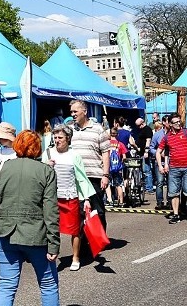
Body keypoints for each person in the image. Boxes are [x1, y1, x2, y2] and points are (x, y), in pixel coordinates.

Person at [0, 130, 67, 306]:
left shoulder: (2, 168)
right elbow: (51, 212)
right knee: (48, 284)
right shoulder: (46, 171)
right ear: (37, 149)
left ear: (17, 146)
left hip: (7, 235)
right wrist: (54, 244)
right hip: (36, 236)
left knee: (6, 286)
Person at [45, 123, 95, 271]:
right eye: (55, 137)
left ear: (68, 138)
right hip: (52, 198)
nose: (57, 140)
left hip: (70, 197)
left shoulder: (74, 156)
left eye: (60, 137)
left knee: (75, 230)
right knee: (51, 229)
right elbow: (40, 175)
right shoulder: (47, 153)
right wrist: (47, 165)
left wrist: (86, 199)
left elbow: (81, 178)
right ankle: (52, 256)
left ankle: (75, 257)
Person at [68, 99, 110, 231]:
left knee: (98, 210)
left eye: (75, 111)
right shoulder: (69, 129)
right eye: (71, 112)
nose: (73, 114)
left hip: (94, 175)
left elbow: (105, 152)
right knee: (80, 211)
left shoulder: (97, 129)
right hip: (75, 177)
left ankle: (100, 237)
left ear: (84, 111)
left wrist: (105, 175)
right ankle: (84, 239)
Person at [156, 113, 187, 224]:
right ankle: (176, 214)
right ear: (170, 124)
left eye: (179, 121)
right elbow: (159, 152)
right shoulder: (167, 137)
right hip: (174, 168)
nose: (178, 124)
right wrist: (161, 165)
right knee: (173, 193)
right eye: (175, 122)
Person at [149, 120, 168, 208]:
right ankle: (159, 202)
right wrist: (158, 153)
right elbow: (151, 148)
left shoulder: (173, 134)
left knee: (170, 182)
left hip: (171, 161)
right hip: (159, 161)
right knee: (160, 182)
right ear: (164, 122)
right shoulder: (157, 135)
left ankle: (170, 201)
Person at [107, 127, 127, 206]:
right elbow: (124, 157)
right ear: (117, 134)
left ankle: (110, 200)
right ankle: (121, 202)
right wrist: (121, 164)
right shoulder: (120, 144)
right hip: (117, 168)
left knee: (107, 184)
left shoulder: (106, 143)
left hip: (108, 167)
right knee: (119, 184)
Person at [133, 117, 154, 191]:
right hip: (140, 152)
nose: (138, 127)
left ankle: (149, 188)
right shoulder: (141, 130)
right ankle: (145, 186)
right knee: (142, 170)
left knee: (146, 170)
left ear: (142, 123)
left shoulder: (147, 129)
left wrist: (146, 151)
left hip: (144, 153)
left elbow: (148, 140)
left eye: (139, 125)